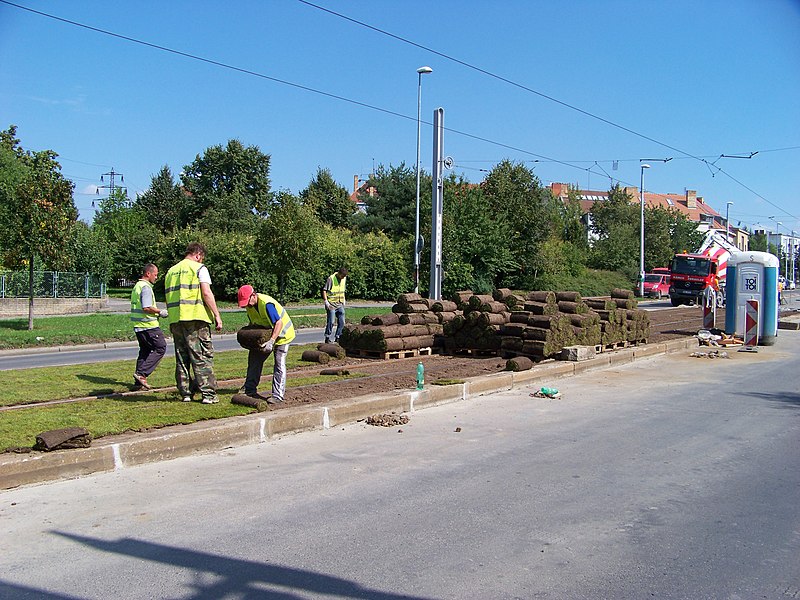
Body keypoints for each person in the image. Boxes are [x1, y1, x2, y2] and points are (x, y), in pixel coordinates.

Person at [164, 242, 223, 404]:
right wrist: (217, 315)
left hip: (176, 319)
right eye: (201, 258)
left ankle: (186, 393)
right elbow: (206, 292)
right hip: (196, 319)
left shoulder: (171, 272)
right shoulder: (199, 268)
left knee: (182, 357)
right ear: (198, 255)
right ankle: (208, 395)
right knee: (201, 355)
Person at [237, 284, 295, 404]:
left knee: (279, 363)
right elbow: (254, 323)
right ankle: (249, 389)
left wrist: (272, 341)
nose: (246, 305)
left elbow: (278, 323)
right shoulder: (250, 306)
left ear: (253, 295)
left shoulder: (267, 304)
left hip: (283, 335)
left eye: (247, 301)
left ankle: (277, 395)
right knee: (254, 359)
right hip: (265, 336)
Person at [130, 263, 168, 390]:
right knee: (160, 347)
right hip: (148, 326)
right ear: (148, 273)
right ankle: (142, 374)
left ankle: (137, 383)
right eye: (155, 274)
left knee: (145, 351)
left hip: (139, 326)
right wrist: (160, 312)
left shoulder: (137, 286)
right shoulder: (145, 287)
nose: (156, 277)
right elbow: (146, 307)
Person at [322, 267, 348, 344]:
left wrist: (344, 300)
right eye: (342, 276)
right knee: (331, 321)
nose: (343, 278)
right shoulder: (331, 279)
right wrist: (326, 302)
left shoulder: (344, 278)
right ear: (339, 274)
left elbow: (342, 290)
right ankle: (327, 337)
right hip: (331, 304)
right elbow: (324, 290)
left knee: (342, 321)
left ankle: (338, 337)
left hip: (340, 304)